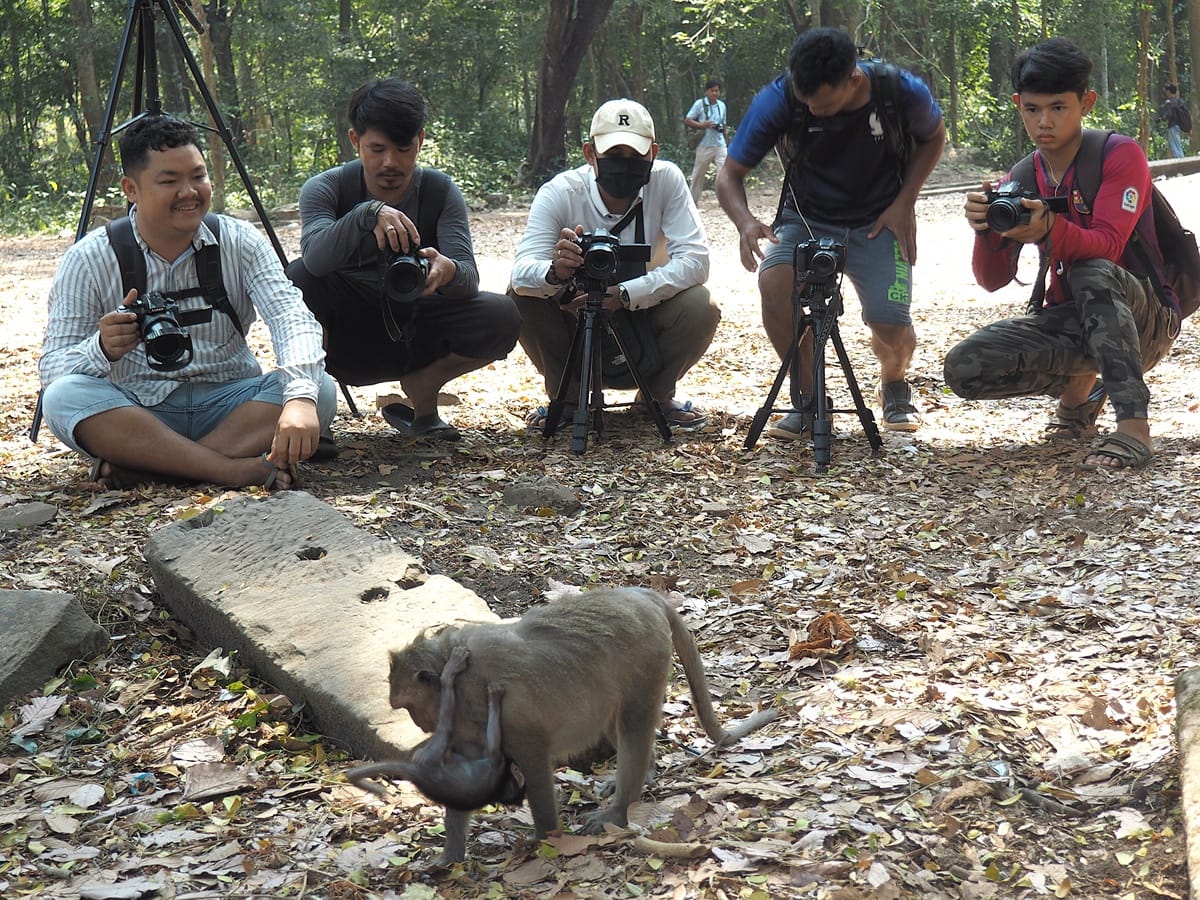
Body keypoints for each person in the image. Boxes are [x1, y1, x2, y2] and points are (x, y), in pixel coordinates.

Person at [39, 114, 336, 492]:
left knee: (319, 391)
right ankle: (232, 470)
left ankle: (155, 468)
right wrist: (101, 348)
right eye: (169, 181)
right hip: (140, 411)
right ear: (131, 188)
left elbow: (291, 316)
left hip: (232, 404)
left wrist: (297, 399)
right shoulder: (90, 258)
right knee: (64, 397)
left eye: (198, 176)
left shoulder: (238, 241)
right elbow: (53, 369)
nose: (189, 192)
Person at [944, 38, 1180, 471]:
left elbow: (1107, 246)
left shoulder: (1119, 154)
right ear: (1018, 104)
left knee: (1091, 270)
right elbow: (992, 279)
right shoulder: (1022, 176)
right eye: (1032, 109)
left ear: (1085, 102)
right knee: (965, 367)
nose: (1044, 122)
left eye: (1058, 107)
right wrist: (985, 228)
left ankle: (1133, 427)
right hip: (1078, 318)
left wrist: (1051, 229)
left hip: (1148, 318)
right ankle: (1081, 394)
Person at [716, 27, 945, 439]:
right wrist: (746, 222)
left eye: (824, 104)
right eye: (807, 102)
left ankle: (894, 382)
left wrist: (905, 201)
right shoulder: (778, 99)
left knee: (889, 322)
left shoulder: (899, 90)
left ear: (854, 79)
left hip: (879, 218)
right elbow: (730, 175)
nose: (814, 110)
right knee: (774, 283)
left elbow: (933, 136)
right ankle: (809, 398)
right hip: (806, 216)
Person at [287, 78, 520, 441]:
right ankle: (316, 412)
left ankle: (424, 400)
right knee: (299, 277)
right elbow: (314, 261)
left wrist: (448, 270)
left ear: (420, 141)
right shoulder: (327, 188)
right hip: (345, 339)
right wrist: (365, 214)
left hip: (416, 327)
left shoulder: (439, 192)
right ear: (354, 141)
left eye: (403, 148)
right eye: (376, 149)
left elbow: (469, 277)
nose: (390, 163)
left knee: (502, 313)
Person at [509, 98, 720, 430]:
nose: (625, 165)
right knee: (520, 295)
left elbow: (696, 261)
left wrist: (624, 294)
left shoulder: (667, 181)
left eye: (635, 156)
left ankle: (656, 396)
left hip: (646, 316)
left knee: (701, 305)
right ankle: (569, 399)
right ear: (589, 153)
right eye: (613, 156)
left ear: (653, 152)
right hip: (573, 319)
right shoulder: (561, 192)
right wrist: (555, 272)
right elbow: (521, 274)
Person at [685, 79, 728, 202]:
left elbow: (724, 124)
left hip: (719, 144)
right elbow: (688, 119)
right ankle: (692, 200)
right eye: (712, 90)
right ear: (706, 91)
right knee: (698, 174)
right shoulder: (700, 104)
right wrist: (702, 125)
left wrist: (726, 139)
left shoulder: (722, 106)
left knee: (724, 172)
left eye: (717, 91)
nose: (715, 93)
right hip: (704, 144)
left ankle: (724, 200)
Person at [1159, 83, 1186, 159]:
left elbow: (1169, 114)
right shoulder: (1179, 101)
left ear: (1169, 92)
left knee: (1175, 146)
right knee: (1177, 144)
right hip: (1180, 126)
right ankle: (1180, 161)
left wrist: (1162, 118)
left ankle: (1180, 163)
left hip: (1173, 125)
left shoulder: (1170, 102)